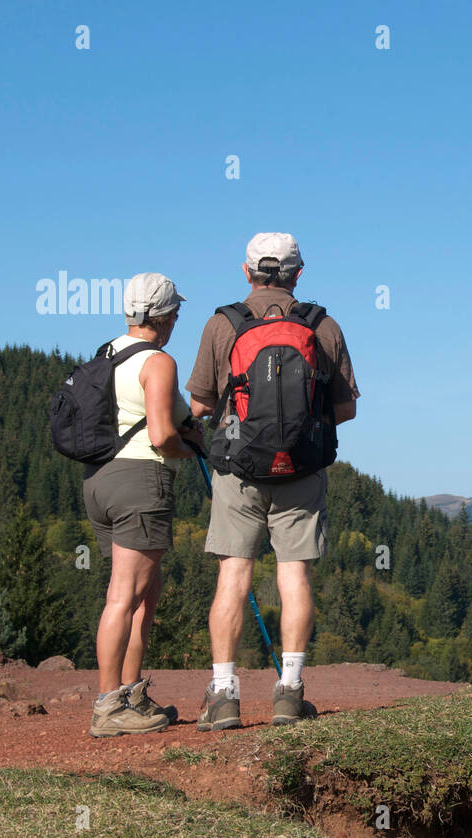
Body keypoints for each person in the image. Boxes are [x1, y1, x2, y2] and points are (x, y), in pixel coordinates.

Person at [186, 233, 359, 730]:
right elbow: (345, 408)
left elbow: (199, 405)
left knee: (233, 577)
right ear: (298, 274)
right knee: (294, 576)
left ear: (247, 272)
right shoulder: (323, 326)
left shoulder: (223, 324)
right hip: (302, 469)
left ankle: (224, 695)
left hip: (238, 468)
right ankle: (289, 690)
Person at [85, 273, 205, 737]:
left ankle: (131, 693)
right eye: (175, 312)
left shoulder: (106, 354)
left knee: (144, 592)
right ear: (162, 316)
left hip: (99, 481)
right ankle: (109, 706)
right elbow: (159, 436)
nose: (177, 319)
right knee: (124, 594)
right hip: (140, 481)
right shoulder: (158, 361)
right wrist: (188, 447)